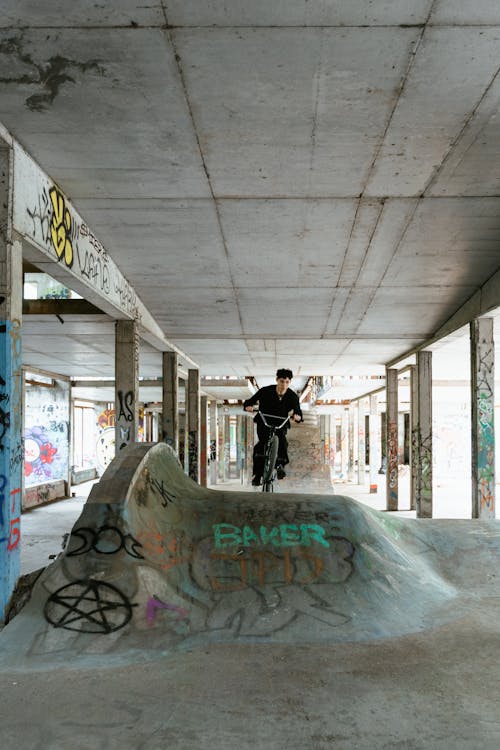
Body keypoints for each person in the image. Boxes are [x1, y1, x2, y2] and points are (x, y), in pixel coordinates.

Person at [243, 368, 303, 486]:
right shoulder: (265, 391)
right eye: (281, 381)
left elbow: (298, 412)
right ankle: (257, 475)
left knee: (282, 442)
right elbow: (249, 401)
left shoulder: (292, 396)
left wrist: (297, 417)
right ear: (277, 380)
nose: (284, 385)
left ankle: (280, 465)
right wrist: (248, 407)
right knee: (261, 445)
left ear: (290, 382)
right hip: (264, 421)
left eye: (287, 382)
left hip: (280, 423)